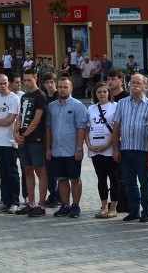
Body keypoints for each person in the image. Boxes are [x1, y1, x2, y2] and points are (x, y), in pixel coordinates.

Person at [112, 73, 148, 222]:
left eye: (138, 83)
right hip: (125, 150)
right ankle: (133, 211)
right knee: (129, 182)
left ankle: (147, 212)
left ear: (144, 86)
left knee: (145, 183)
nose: (135, 85)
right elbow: (117, 127)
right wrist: (115, 149)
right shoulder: (122, 103)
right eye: (133, 82)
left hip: (143, 150)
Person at [44, 77, 87, 218]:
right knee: (61, 179)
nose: (62, 89)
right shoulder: (51, 107)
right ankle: (65, 205)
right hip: (57, 150)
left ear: (71, 88)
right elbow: (48, 128)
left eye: (65, 87)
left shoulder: (78, 106)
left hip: (72, 150)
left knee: (75, 179)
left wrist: (79, 148)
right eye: (60, 87)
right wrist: (48, 148)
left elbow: (82, 128)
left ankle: (75, 205)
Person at [14, 68, 49, 217]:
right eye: (25, 80)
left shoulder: (40, 96)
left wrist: (25, 134)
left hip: (36, 139)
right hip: (24, 139)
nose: (27, 83)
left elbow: (37, 120)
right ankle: (31, 202)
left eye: (29, 80)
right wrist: (15, 133)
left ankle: (41, 205)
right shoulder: (24, 96)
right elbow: (20, 116)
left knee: (40, 171)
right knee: (27, 170)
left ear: (36, 78)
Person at [0, 74, 20, 214]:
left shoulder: (14, 98)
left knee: (12, 172)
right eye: (0, 83)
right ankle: (5, 201)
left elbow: (9, 121)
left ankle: (15, 201)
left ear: (9, 83)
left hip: (9, 141)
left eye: (5, 83)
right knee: (2, 173)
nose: (3, 85)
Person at [87, 82, 119, 218]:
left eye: (104, 92)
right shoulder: (91, 109)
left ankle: (113, 207)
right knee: (101, 178)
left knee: (113, 177)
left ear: (109, 93)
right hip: (95, 148)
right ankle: (104, 205)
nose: (102, 94)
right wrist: (88, 144)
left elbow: (117, 128)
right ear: (95, 94)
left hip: (110, 148)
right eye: (99, 92)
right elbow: (87, 128)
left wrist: (108, 144)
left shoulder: (115, 107)